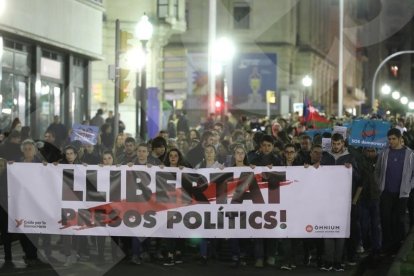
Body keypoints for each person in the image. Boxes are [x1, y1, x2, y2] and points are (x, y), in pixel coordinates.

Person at [376, 128, 414, 255]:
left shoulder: (410, 154)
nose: (391, 141)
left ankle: (397, 247)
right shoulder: (384, 153)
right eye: (389, 139)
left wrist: (409, 186)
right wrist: (379, 185)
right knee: (385, 219)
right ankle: (387, 246)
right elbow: (378, 171)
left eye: (393, 139)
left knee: (398, 220)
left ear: (399, 139)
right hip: (386, 192)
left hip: (402, 194)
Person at [249, 134, 282, 268]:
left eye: (269, 145)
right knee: (258, 229)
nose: (267, 148)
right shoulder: (254, 160)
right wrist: (250, 168)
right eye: (264, 145)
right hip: (257, 198)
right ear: (260, 146)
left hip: (273, 198)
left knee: (271, 228)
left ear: (273, 146)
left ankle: (271, 255)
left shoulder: (278, 161)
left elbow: (285, 178)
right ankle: (259, 257)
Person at [163, 148, 190, 266]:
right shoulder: (162, 170)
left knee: (180, 229)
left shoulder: (184, 170)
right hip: (167, 204)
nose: (173, 158)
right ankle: (170, 254)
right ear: (168, 158)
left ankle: (179, 252)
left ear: (179, 158)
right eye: (171, 156)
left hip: (181, 204)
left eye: (175, 156)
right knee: (170, 230)